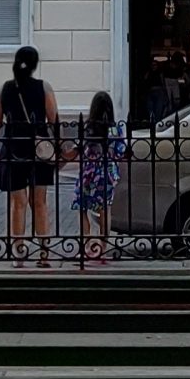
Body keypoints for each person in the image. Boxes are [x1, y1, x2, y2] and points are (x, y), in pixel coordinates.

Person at [0, 46, 58, 265]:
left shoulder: (5, 88)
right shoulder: (44, 87)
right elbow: (53, 120)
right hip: (38, 148)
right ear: (35, 65)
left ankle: (18, 253)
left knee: (17, 203)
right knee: (40, 202)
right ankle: (44, 253)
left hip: (14, 146)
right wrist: (59, 148)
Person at [69, 90, 126, 263]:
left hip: (89, 173)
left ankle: (86, 246)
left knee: (82, 208)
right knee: (105, 210)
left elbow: (78, 149)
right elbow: (121, 151)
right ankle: (102, 247)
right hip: (107, 173)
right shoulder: (115, 129)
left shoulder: (88, 127)